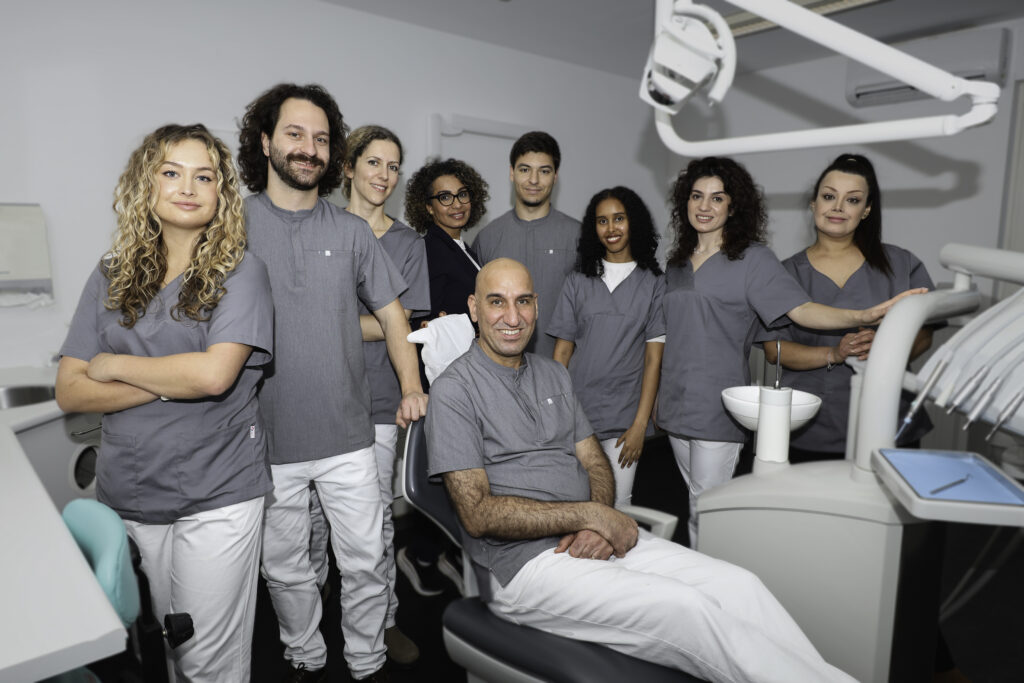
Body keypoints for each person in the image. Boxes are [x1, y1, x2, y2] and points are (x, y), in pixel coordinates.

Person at [424, 258, 857, 683]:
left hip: (592, 536)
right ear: (474, 308)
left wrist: (596, 524)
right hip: (525, 567)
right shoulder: (454, 391)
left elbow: (595, 461)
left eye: (523, 301)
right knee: (691, 610)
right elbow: (477, 514)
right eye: (496, 302)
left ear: (536, 306)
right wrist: (593, 516)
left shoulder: (553, 374)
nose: (512, 317)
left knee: (741, 587)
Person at [56, 124, 272, 682]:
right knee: (155, 648)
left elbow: (214, 376)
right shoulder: (111, 273)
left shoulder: (241, 271)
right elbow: (71, 389)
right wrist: (173, 377)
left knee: (205, 662)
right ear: (145, 184)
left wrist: (114, 365)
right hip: (129, 488)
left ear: (221, 193)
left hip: (218, 490)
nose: (188, 187)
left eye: (205, 177)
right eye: (171, 172)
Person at [237, 83, 427, 683]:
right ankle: (305, 654)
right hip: (268, 439)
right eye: (295, 134)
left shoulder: (351, 232)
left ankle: (367, 660)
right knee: (287, 567)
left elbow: (394, 317)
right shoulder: (233, 224)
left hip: (348, 435)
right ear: (265, 141)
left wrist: (411, 386)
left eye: (321, 139)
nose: (308, 148)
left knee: (366, 562)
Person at [659, 156, 925, 547]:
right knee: (692, 503)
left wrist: (863, 315)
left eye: (717, 198)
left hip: (717, 406)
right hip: (673, 404)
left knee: (707, 509)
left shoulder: (753, 260)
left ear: (733, 206)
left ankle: (712, 579)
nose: (705, 206)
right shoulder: (676, 265)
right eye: (697, 196)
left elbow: (802, 310)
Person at [762, 153, 939, 462]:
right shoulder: (784, 274)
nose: (838, 207)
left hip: (889, 422)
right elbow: (774, 349)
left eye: (853, 200)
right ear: (814, 203)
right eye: (829, 196)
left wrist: (885, 350)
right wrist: (834, 353)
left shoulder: (901, 264)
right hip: (811, 427)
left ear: (866, 210)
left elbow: (925, 334)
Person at [343, 124, 430, 664]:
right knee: (309, 527)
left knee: (374, 522)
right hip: (318, 397)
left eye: (393, 166)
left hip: (378, 399)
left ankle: (385, 619)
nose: (384, 175)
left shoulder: (407, 244)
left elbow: (402, 322)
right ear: (349, 166)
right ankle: (320, 620)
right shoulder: (323, 228)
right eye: (374, 162)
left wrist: (324, 323)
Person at [549, 187, 665, 507]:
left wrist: (640, 424)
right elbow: (561, 353)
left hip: (624, 420)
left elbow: (653, 360)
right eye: (602, 221)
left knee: (617, 507)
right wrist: (557, 414)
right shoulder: (577, 281)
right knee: (576, 504)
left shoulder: (654, 284)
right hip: (577, 416)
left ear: (633, 222)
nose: (611, 228)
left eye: (619, 219)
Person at [472, 131, 579, 357]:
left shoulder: (579, 237)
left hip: (564, 368)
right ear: (512, 173)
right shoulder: (488, 237)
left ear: (556, 176)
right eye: (525, 169)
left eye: (544, 171)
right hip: (499, 369)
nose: (534, 180)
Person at [404, 157, 489, 321]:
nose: (457, 204)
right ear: (429, 207)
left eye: (462, 194)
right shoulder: (429, 251)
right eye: (445, 197)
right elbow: (424, 320)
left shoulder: (463, 248)